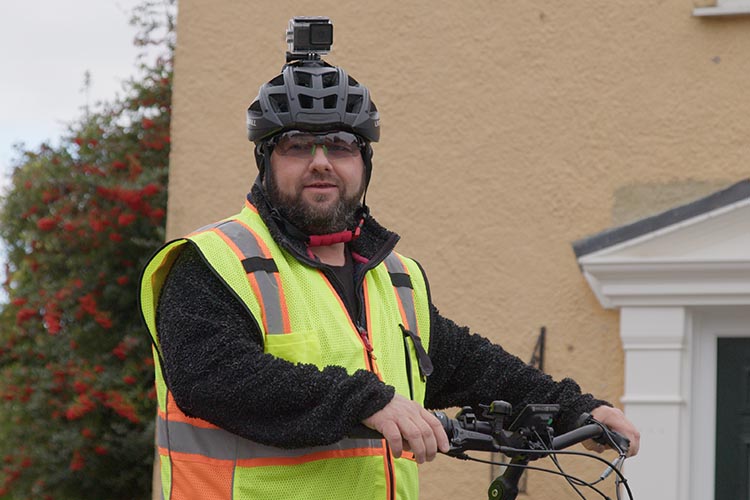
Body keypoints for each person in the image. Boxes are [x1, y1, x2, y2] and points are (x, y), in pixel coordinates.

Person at [139, 35, 640, 500]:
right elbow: (214, 375)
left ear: (364, 162)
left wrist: (576, 408)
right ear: (265, 161)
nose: (320, 162)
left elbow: (468, 366)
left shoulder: (393, 276)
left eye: (340, 145)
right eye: (296, 146)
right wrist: (367, 401)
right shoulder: (214, 260)